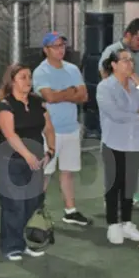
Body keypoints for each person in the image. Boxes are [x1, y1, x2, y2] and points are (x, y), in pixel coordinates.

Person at [0, 64, 55, 261]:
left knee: (31, 202)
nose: (28, 81)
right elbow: (10, 135)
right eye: (22, 77)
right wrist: (27, 156)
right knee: (14, 204)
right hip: (12, 161)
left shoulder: (38, 104)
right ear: (11, 82)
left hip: (36, 162)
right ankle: (11, 246)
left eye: (29, 77)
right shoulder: (5, 107)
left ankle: (22, 242)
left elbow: (49, 130)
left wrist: (50, 151)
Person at [33, 31, 90, 227]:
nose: (60, 50)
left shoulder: (73, 69)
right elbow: (49, 97)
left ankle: (70, 210)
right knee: (45, 172)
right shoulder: (41, 72)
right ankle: (35, 211)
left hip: (71, 128)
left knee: (68, 171)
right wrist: (70, 92)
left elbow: (83, 95)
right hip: (50, 131)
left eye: (62, 46)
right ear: (46, 50)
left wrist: (62, 94)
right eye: (56, 46)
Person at [97, 49, 139, 244]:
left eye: (131, 60)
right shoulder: (105, 87)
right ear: (113, 64)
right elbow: (114, 113)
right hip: (114, 142)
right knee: (114, 183)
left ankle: (127, 223)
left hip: (134, 142)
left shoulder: (134, 85)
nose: (130, 64)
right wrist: (136, 115)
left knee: (130, 184)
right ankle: (113, 224)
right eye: (125, 60)